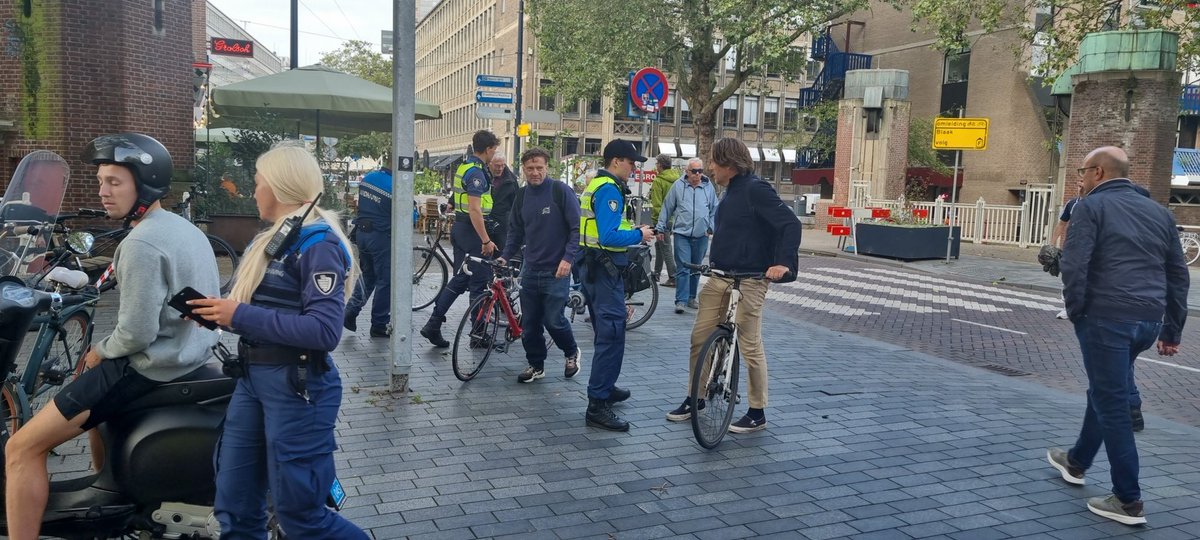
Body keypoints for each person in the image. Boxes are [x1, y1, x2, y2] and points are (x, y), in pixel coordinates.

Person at [4, 134, 221, 539]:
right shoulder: (180, 227)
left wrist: (100, 350)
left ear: (146, 184)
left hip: (149, 366)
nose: (103, 192)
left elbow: (137, 333)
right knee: (88, 403)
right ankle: (104, 492)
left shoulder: (141, 243)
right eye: (102, 181)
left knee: (20, 449)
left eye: (115, 182)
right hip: (187, 355)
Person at [189, 144, 366, 538]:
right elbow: (261, 310)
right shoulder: (273, 240)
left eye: (258, 183)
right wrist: (218, 314)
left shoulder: (317, 245)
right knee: (234, 507)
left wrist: (238, 315)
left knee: (301, 517)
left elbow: (324, 331)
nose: (253, 192)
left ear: (281, 187)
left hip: (297, 388)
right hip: (255, 380)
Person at [1047, 146, 1188, 527]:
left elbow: (1075, 265)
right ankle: (1076, 461)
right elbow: (1178, 273)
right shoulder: (1161, 213)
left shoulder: (1089, 207)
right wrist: (1172, 327)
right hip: (1148, 321)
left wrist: (1076, 311)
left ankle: (1128, 501)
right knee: (1106, 389)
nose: (1081, 178)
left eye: (1082, 171)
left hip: (1105, 318)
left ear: (1097, 172)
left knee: (1112, 405)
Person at [666, 138, 800, 434]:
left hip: (750, 280)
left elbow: (790, 224)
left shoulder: (756, 189)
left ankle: (757, 411)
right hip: (720, 277)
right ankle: (696, 398)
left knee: (750, 345)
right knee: (700, 338)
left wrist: (783, 264)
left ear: (728, 163)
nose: (710, 168)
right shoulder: (727, 192)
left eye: (713, 162)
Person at [578, 140, 655, 432]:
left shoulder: (598, 184)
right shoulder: (609, 189)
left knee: (606, 330)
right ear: (616, 161)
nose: (634, 168)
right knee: (611, 333)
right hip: (603, 268)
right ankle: (598, 403)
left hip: (594, 267)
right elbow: (609, 236)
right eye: (631, 163)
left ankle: (605, 386)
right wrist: (639, 233)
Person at [497, 147, 583, 383]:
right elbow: (515, 232)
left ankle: (571, 352)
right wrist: (505, 255)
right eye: (530, 169)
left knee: (553, 319)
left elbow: (576, 230)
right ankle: (536, 365)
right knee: (531, 323)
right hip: (531, 269)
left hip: (557, 270)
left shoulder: (560, 191)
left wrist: (568, 259)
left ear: (547, 168)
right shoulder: (522, 196)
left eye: (539, 168)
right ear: (523, 170)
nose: (535, 172)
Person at [420, 130, 501, 347]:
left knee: (461, 279)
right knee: (480, 283)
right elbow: (475, 210)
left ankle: (434, 325)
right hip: (473, 232)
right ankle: (478, 333)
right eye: (494, 149)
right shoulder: (476, 173)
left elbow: (458, 197)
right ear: (488, 149)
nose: (495, 154)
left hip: (461, 230)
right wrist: (485, 240)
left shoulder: (464, 167)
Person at [656, 157, 717, 314]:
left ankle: (691, 297)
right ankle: (681, 301)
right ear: (687, 171)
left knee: (696, 268)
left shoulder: (708, 186)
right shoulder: (678, 185)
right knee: (683, 267)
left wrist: (711, 227)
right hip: (682, 233)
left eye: (700, 171)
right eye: (694, 171)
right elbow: (667, 207)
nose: (697, 174)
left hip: (701, 234)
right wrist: (661, 227)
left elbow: (714, 209)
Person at [343, 164, 393, 337]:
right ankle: (379, 324)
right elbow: (406, 215)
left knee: (368, 275)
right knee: (385, 280)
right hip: (381, 237)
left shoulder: (368, 178)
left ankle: (351, 311)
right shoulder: (395, 185)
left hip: (362, 234)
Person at [648, 154, 679, 287]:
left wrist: (656, 220)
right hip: (674, 218)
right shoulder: (677, 180)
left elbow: (657, 203)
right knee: (659, 245)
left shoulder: (659, 181)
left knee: (665, 246)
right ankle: (657, 273)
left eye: (656, 164)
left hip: (662, 219)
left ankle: (673, 277)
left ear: (660, 165)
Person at [488, 154, 519, 252]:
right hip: (485, 221)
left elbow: (516, 202)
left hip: (502, 223)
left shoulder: (511, 180)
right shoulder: (483, 175)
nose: (500, 168)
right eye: (497, 166)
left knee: (502, 252)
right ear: (490, 164)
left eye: (502, 165)